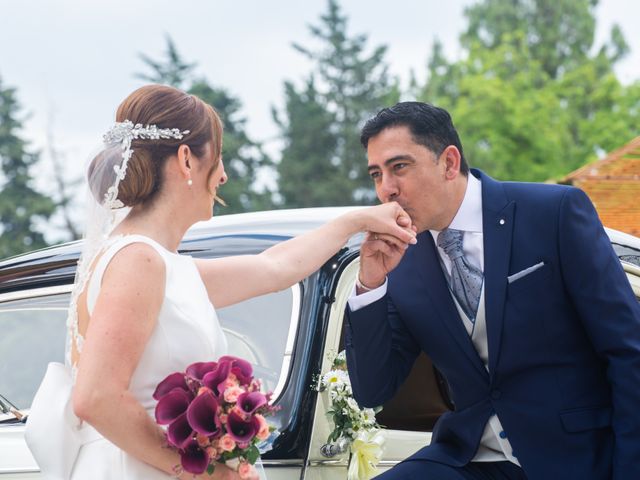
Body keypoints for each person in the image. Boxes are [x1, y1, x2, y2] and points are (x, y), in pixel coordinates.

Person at [25, 85, 417, 480]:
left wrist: (357, 221)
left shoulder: (161, 264)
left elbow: (274, 268)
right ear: (186, 160)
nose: (225, 175)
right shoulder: (137, 260)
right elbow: (97, 397)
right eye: (219, 156)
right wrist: (204, 471)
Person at [344, 101, 640, 479]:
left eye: (399, 167)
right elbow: (373, 391)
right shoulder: (402, 260)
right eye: (376, 174)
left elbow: (628, 351)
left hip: (574, 455)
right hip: (469, 458)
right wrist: (371, 284)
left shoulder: (554, 213)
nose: (386, 189)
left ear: (449, 163)